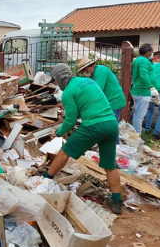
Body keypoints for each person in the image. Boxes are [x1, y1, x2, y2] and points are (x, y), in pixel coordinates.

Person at [43, 64, 123, 214]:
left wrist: (58, 133)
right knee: (110, 166)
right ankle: (117, 201)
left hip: (93, 126)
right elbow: (91, 104)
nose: (55, 83)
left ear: (60, 78)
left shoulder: (68, 92)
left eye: (55, 80)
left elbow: (70, 121)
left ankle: (45, 180)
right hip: (111, 124)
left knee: (64, 151)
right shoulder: (90, 82)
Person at [76, 57, 126, 121]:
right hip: (112, 101)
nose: (83, 74)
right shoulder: (98, 71)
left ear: (87, 68)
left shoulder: (100, 71)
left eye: (83, 71)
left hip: (114, 101)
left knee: (110, 125)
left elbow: (97, 91)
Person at [131, 43, 160, 135]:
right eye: (151, 51)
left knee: (137, 115)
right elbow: (143, 74)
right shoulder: (143, 61)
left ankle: (136, 133)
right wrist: (151, 87)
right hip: (142, 91)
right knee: (139, 116)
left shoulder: (141, 60)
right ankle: (137, 135)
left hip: (140, 90)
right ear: (147, 52)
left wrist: (150, 60)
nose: (152, 53)